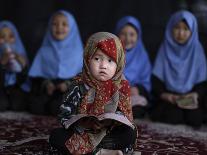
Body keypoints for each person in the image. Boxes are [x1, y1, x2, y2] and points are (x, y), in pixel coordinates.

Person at [49, 32, 137, 155]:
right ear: (87, 59)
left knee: (129, 134)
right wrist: (82, 123)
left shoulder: (121, 86)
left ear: (119, 63)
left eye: (110, 60)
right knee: (56, 136)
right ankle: (102, 152)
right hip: (82, 132)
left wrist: (111, 121)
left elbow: (126, 116)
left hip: (108, 133)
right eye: (97, 58)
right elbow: (64, 115)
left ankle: (88, 151)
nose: (103, 66)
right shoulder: (78, 85)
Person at [150, 10, 207, 128]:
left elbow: (202, 81)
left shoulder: (197, 50)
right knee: (172, 117)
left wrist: (195, 95)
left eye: (186, 29)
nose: (181, 33)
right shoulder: (165, 48)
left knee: (195, 119)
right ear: (170, 29)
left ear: (193, 31)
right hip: (170, 97)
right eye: (177, 28)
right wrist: (166, 95)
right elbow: (156, 79)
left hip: (190, 96)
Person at [28, 10, 83, 115]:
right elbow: (36, 76)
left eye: (64, 24)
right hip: (49, 87)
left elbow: (84, 77)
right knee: (35, 106)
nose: (59, 27)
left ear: (72, 27)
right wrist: (47, 84)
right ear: (49, 27)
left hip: (69, 88)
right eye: (54, 24)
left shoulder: (78, 52)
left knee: (58, 107)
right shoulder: (44, 50)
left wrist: (68, 84)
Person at [115, 16, 152, 118]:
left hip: (133, 96)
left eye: (132, 35)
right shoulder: (111, 53)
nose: (127, 38)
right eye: (123, 34)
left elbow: (146, 81)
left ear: (138, 36)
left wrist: (137, 89)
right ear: (117, 34)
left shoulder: (142, 56)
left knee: (137, 110)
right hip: (113, 93)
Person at [0, 20, 28, 111]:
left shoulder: (20, 53)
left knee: (18, 105)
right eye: (2, 37)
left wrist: (22, 65)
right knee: (2, 105)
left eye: (11, 36)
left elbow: (24, 79)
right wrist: (2, 64)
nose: (7, 40)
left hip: (16, 87)